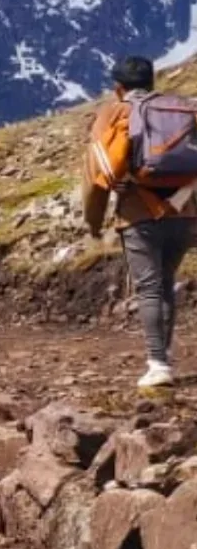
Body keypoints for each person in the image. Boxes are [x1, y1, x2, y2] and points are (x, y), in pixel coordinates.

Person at [83, 55, 197, 390]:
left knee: (149, 287)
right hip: (184, 211)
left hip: (139, 213)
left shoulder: (115, 112)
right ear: (151, 81)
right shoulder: (182, 108)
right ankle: (163, 356)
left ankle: (158, 364)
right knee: (165, 282)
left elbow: (97, 175)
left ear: (119, 87)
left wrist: (93, 223)